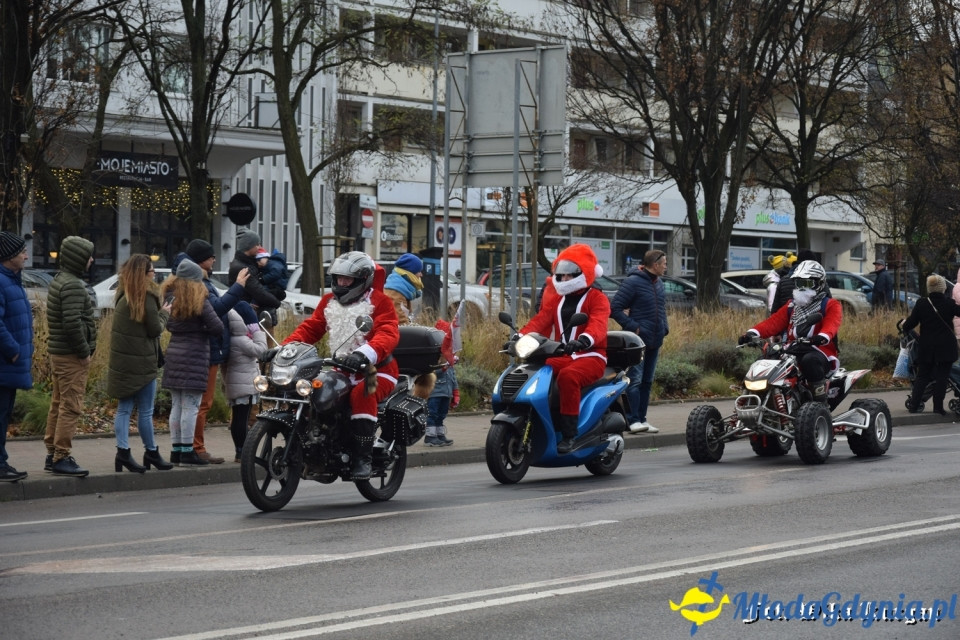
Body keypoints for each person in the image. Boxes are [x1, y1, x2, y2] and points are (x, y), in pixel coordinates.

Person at [282, 250, 400, 480]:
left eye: (348, 279)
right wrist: (285, 348)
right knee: (313, 392)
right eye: (338, 278)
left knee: (362, 394)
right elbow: (312, 327)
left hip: (377, 372)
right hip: (340, 370)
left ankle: (362, 458)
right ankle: (318, 447)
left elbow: (388, 332)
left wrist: (364, 353)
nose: (341, 283)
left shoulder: (380, 302)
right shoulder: (328, 302)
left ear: (363, 280)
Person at [516, 244, 608, 454]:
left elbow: (599, 324)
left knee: (568, 377)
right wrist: (520, 336)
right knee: (538, 370)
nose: (565, 280)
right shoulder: (558, 300)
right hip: (566, 353)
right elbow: (540, 321)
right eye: (562, 275)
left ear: (582, 273)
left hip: (591, 355)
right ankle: (542, 420)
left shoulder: (597, 298)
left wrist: (585, 339)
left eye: (570, 276)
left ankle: (569, 434)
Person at [182, 239, 250, 464]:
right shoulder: (200, 284)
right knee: (202, 403)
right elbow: (217, 309)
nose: (214, 259)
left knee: (195, 402)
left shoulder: (202, 282)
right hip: (208, 349)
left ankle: (187, 447)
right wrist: (238, 287)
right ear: (202, 259)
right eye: (211, 256)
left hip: (209, 349)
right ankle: (196, 447)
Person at [739, 260, 842, 404]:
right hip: (793, 349)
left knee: (809, 361)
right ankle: (751, 402)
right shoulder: (791, 306)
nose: (801, 288)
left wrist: (822, 337)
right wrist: (752, 333)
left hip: (819, 350)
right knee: (762, 362)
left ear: (819, 284)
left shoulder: (830, 304)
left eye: (807, 283)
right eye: (798, 283)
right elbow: (772, 323)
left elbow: (832, 324)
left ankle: (820, 404)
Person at [106, 255, 173, 472]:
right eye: (152, 271)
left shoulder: (123, 295)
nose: (154, 274)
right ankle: (151, 452)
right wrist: (165, 314)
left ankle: (123, 453)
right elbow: (155, 329)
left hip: (123, 362)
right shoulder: (148, 295)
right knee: (145, 411)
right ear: (144, 274)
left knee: (124, 409)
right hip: (143, 362)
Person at [160, 259, 224, 465]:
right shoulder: (200, 300)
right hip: (194, 357)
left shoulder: (169, 298)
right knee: (191, 407)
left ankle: (176, 450)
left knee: (177, 406)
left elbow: (167, 325)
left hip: (174, 355)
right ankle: (188, 452)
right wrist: (201, 330)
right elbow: (217, 327)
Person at [44, 236, 97, 477]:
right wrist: (84, 352)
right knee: (71, 406)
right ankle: (61, 456)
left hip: (59, 352)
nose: (92, 260)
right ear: (79, 258)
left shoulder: (60, 280)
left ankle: (52, 452)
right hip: (71, 355)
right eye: (88, 256)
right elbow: (73, 323)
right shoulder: (73, 285)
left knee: (58, 403)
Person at [610, 249, 668, 434]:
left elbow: (662, 308)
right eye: (664, 264)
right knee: (635, 380)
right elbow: (615, 308)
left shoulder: (659, 283)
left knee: (647, 382)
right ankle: (632, 420)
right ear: (655, 264)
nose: (666, 267)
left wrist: (665, 328)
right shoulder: (633, 282)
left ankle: (642, 419)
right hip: (636, 343)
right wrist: (634, 327)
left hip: (655, 340)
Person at [902, 274, 960, 415]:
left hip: (927, 347)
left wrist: (905, 324)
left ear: (929, 288)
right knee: (942, 377)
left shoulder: (922, 303)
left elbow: (910, 324)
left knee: (922, 377)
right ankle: (938, 408)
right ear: (943, 288)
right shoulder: (949, 304)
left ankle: (914, 406)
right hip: (946, 347)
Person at [0, 233, 32, 482]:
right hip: (4, 363)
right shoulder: (2, 281)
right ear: (9, 256)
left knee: (4, 415)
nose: (26, 255)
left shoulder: (11, 280)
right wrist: (12, 350)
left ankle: (1, 462)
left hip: (8, 366)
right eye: (22, 251)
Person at [221, 301, 267, 462]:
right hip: (244, 384)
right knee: (242, 418)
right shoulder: (241, 340)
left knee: (239, 417)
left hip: (236, 383)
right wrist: (257, 332)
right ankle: (243, 453)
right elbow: (261, 350)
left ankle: (240, 451)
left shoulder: (232, 339)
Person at [228, 228, 282, 313]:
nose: (259, 247)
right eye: (257, 244)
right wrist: (278, 304)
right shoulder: (242, 268)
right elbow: (258, 292)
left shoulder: (248, 263)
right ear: (249, 246)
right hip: (244, 313)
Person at [424, 319, 459, 447]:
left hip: (446, 392)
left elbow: (452, 376)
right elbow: (431, 371)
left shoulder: (449, 357)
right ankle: (430, 436)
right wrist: (443, 366)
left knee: (442, 414)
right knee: (432, 413)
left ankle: (439, 434)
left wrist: (455, 391)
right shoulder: (435, 356)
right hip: (435, 392)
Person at [383, 252, 424, 324]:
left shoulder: (402, 288)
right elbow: (400, 321)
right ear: (410, 273)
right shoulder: (396, 291)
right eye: (419, 271)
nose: (421, 275)